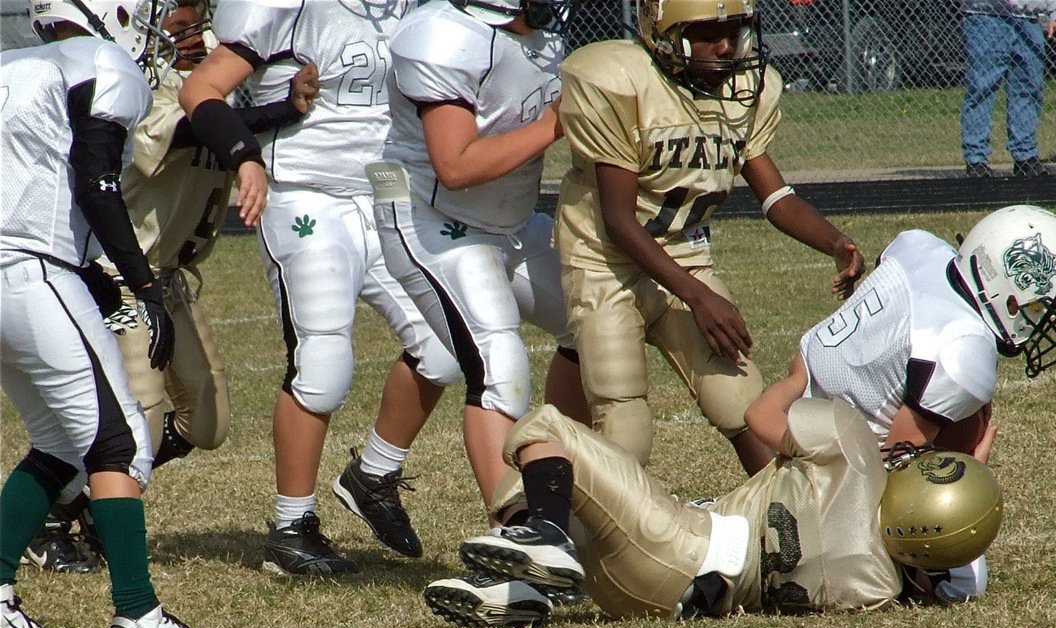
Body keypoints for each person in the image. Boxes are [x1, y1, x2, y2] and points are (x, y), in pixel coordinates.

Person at [21, 0, 320, 575]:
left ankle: (96, 494)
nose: (191, 36)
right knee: (136, 427)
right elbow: (189, 126)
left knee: (206, 424)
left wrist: (281, 108)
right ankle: (54, 517)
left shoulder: (207, 98)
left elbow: (213, 118)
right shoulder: (135, 87)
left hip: (169, 277)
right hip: (121, 274)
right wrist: (267, 119)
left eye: (194, 24)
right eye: (176, 27)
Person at [179, 0, 464, 576]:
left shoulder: (414, 10)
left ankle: (374, 474)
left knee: (448, 346)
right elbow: (200, 90)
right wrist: (246, 157)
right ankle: (291, 528)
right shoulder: (289, 6)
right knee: (323, 365)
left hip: (387, 189)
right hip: (307, 192)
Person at [552, 0, 865, 478]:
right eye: (706, 34)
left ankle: (785, 510)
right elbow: (619, 221)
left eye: (734, 31)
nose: (725, 46)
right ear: (664, 35)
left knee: (742, 401)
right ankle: (562, 512)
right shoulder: (621, 82)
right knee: (625, 425)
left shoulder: (741, 92)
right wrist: (698, 296)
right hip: (605, 263)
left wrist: (835, 242)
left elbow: (776, 196)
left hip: (684, 255)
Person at [1, 0, 215, 628]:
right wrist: (144, 288)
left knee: (60, 443)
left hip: (18, 273)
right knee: (119, 445)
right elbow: (97, 185)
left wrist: (91, 272)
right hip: (31, 270)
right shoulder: (102, 62)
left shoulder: (13, 65)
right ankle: (137, 617)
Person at [422, 397, 1000, 628]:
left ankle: (546, 538)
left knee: (546, 433)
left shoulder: (850, 452)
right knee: (550, 481)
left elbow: (762, 412)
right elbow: (948, 564)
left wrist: (800, 371)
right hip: (667, 598)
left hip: (676, 542)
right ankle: (526, 596)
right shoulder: (875, 588)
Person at [372, 0, 589, 522]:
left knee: (595, 326)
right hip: (432, 218)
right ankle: (514, 528)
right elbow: (455, 165)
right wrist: (553, 124)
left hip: (511, 220)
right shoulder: (445, 35)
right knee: (499, 366)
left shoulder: (537, 34)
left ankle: (556, 484)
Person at [794, 204, 1056, 451]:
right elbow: (892, 466)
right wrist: (971, 478)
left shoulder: (920, 245)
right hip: (825, 459)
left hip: (797, 398)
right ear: (1012, 297)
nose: (1042, 326)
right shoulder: (963, 346)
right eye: (1040, 311)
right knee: (970, 426)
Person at [959, 0, 1056, 178]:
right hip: (986, 15)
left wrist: (1054, 12)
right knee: (982, 88)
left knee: (1028, 88)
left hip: (1028, 18)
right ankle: (975, 160)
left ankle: (1026, 157)